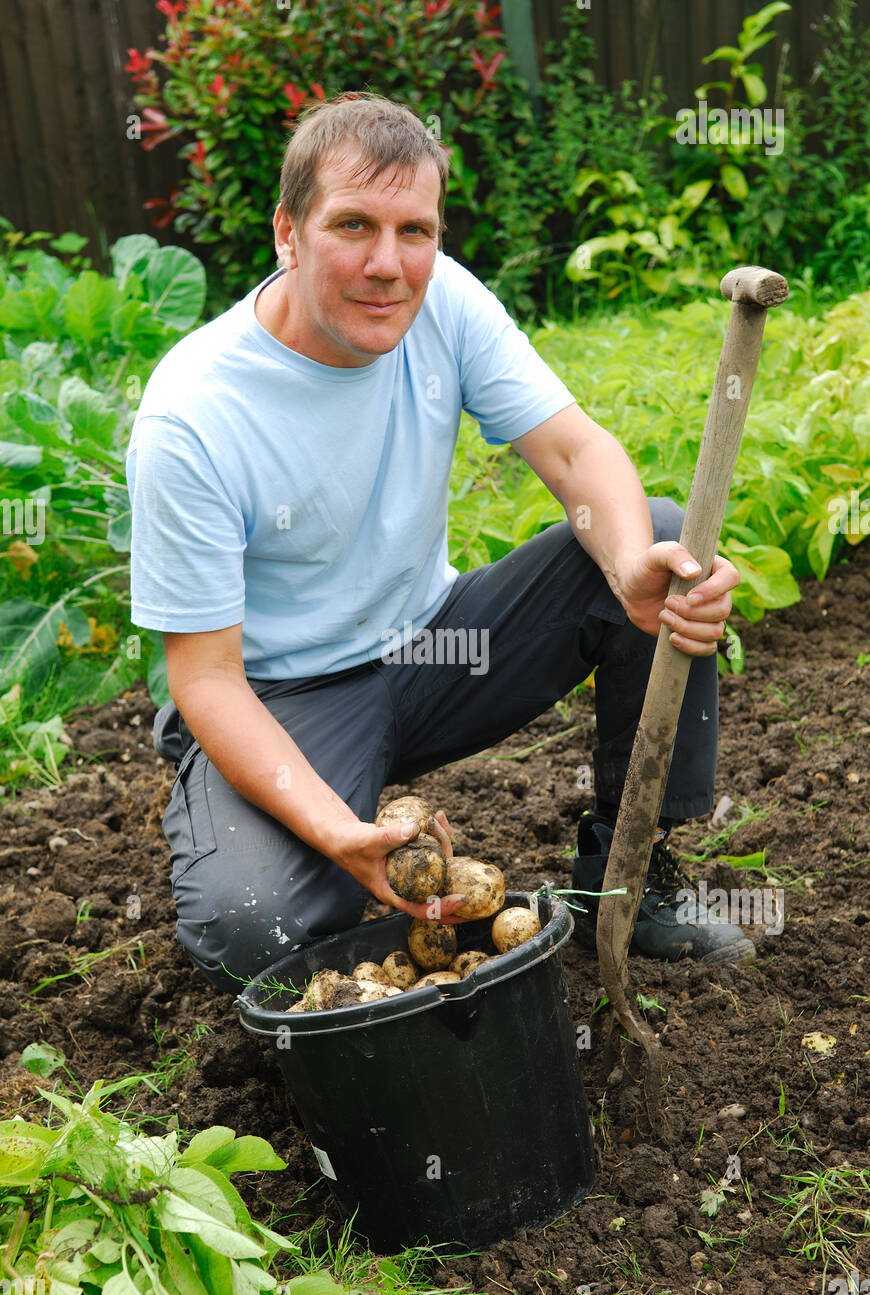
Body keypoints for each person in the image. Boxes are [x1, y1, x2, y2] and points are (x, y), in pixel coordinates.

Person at [126, 93, 755, 995]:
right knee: (252, 925)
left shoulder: (443, 300)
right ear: (288, 233)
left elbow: (576, 452)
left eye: (414, 231)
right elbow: (208, 678)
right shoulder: (193, 415)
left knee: (657, 536)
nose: (389, 265)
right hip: (285, 697)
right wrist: (337, 834)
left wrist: (629, 570)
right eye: (353, 225)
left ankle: (626, 870)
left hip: (437, 647)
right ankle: (270, 801)